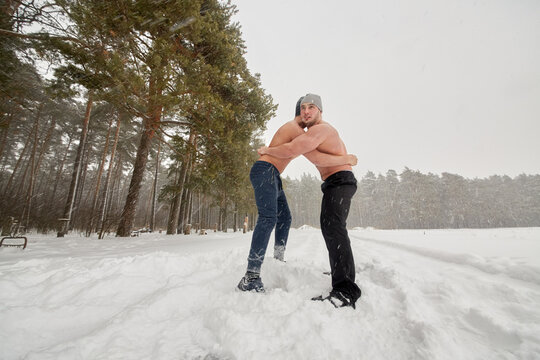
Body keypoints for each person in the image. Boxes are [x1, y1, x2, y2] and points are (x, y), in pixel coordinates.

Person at [237, 97, 358, 293]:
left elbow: (312, 154)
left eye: (310, 108)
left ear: (319, 110)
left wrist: (345, 159)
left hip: (273, 174)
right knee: (268, 218)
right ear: (298, 112)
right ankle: (251, 276)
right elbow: (305, 153)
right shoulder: (295, 129)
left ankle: (278, 259)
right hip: (265, 170)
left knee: (285, 217)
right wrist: (346, 158)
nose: (306, 113)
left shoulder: (311, 131)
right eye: (303, 109)